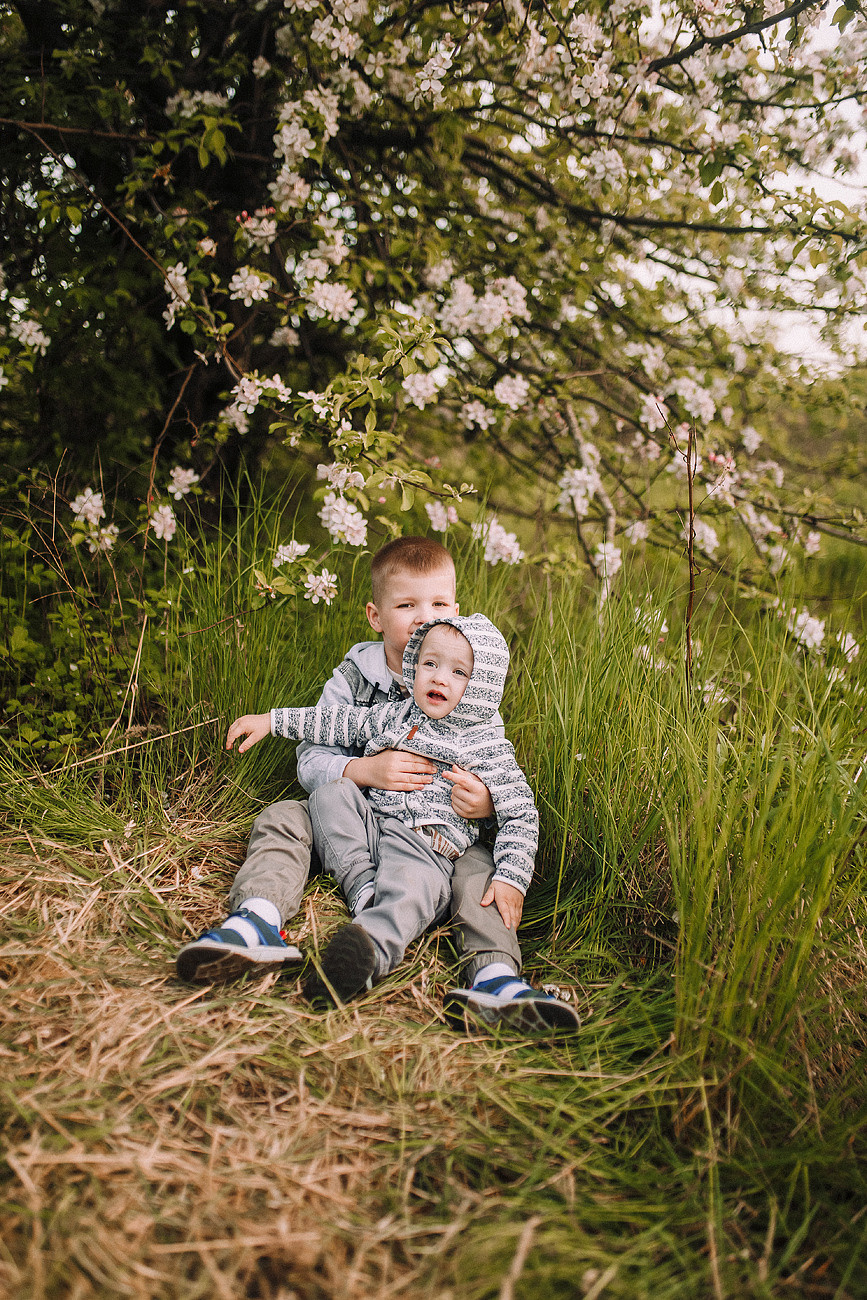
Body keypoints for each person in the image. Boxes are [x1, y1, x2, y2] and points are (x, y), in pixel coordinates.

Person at [176, 536, 578, 1032]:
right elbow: (327, 736)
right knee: (282, 816)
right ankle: (256, 920)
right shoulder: (358, 680)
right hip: (352, 817)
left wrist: (486, 805)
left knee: (481, 874)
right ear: (376, 615)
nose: (421, 618)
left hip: (437, 835)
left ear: (456, 612)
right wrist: (363, 769)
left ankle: (494, 978)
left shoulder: (470, 693)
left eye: (436, 605)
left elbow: (515, 800)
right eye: (406, 605)